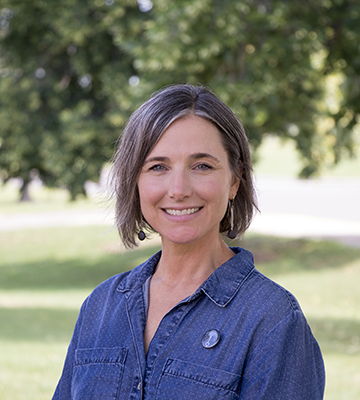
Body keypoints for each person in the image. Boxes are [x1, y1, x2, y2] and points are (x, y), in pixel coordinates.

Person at [52, 84, 325, 399]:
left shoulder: (272, 319)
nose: (179, 188)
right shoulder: (100, 307)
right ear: (135, 180)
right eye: (158, 167)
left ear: (235, 180)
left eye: (202, 166)